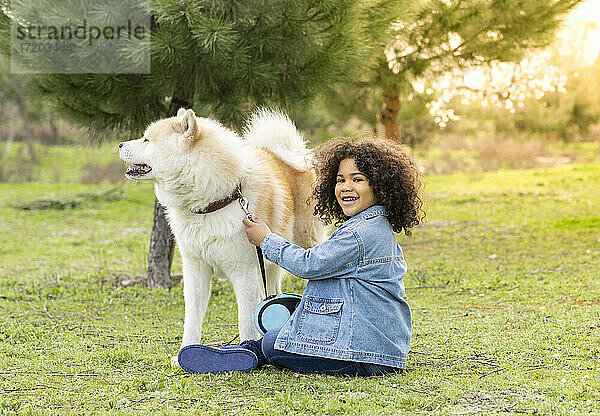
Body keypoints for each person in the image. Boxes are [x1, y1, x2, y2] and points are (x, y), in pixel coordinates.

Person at [177, 137, 425, 376]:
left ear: (380, 186)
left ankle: (250, 353)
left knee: (273, 342)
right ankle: (250, 349)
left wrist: (266, 239)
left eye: (357, 179)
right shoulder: (373, 227)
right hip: (377, 348)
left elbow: (310, 264)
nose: (346, 187)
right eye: (340, 180)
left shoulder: (361, 234)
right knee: (284, 331)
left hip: (360, 353)